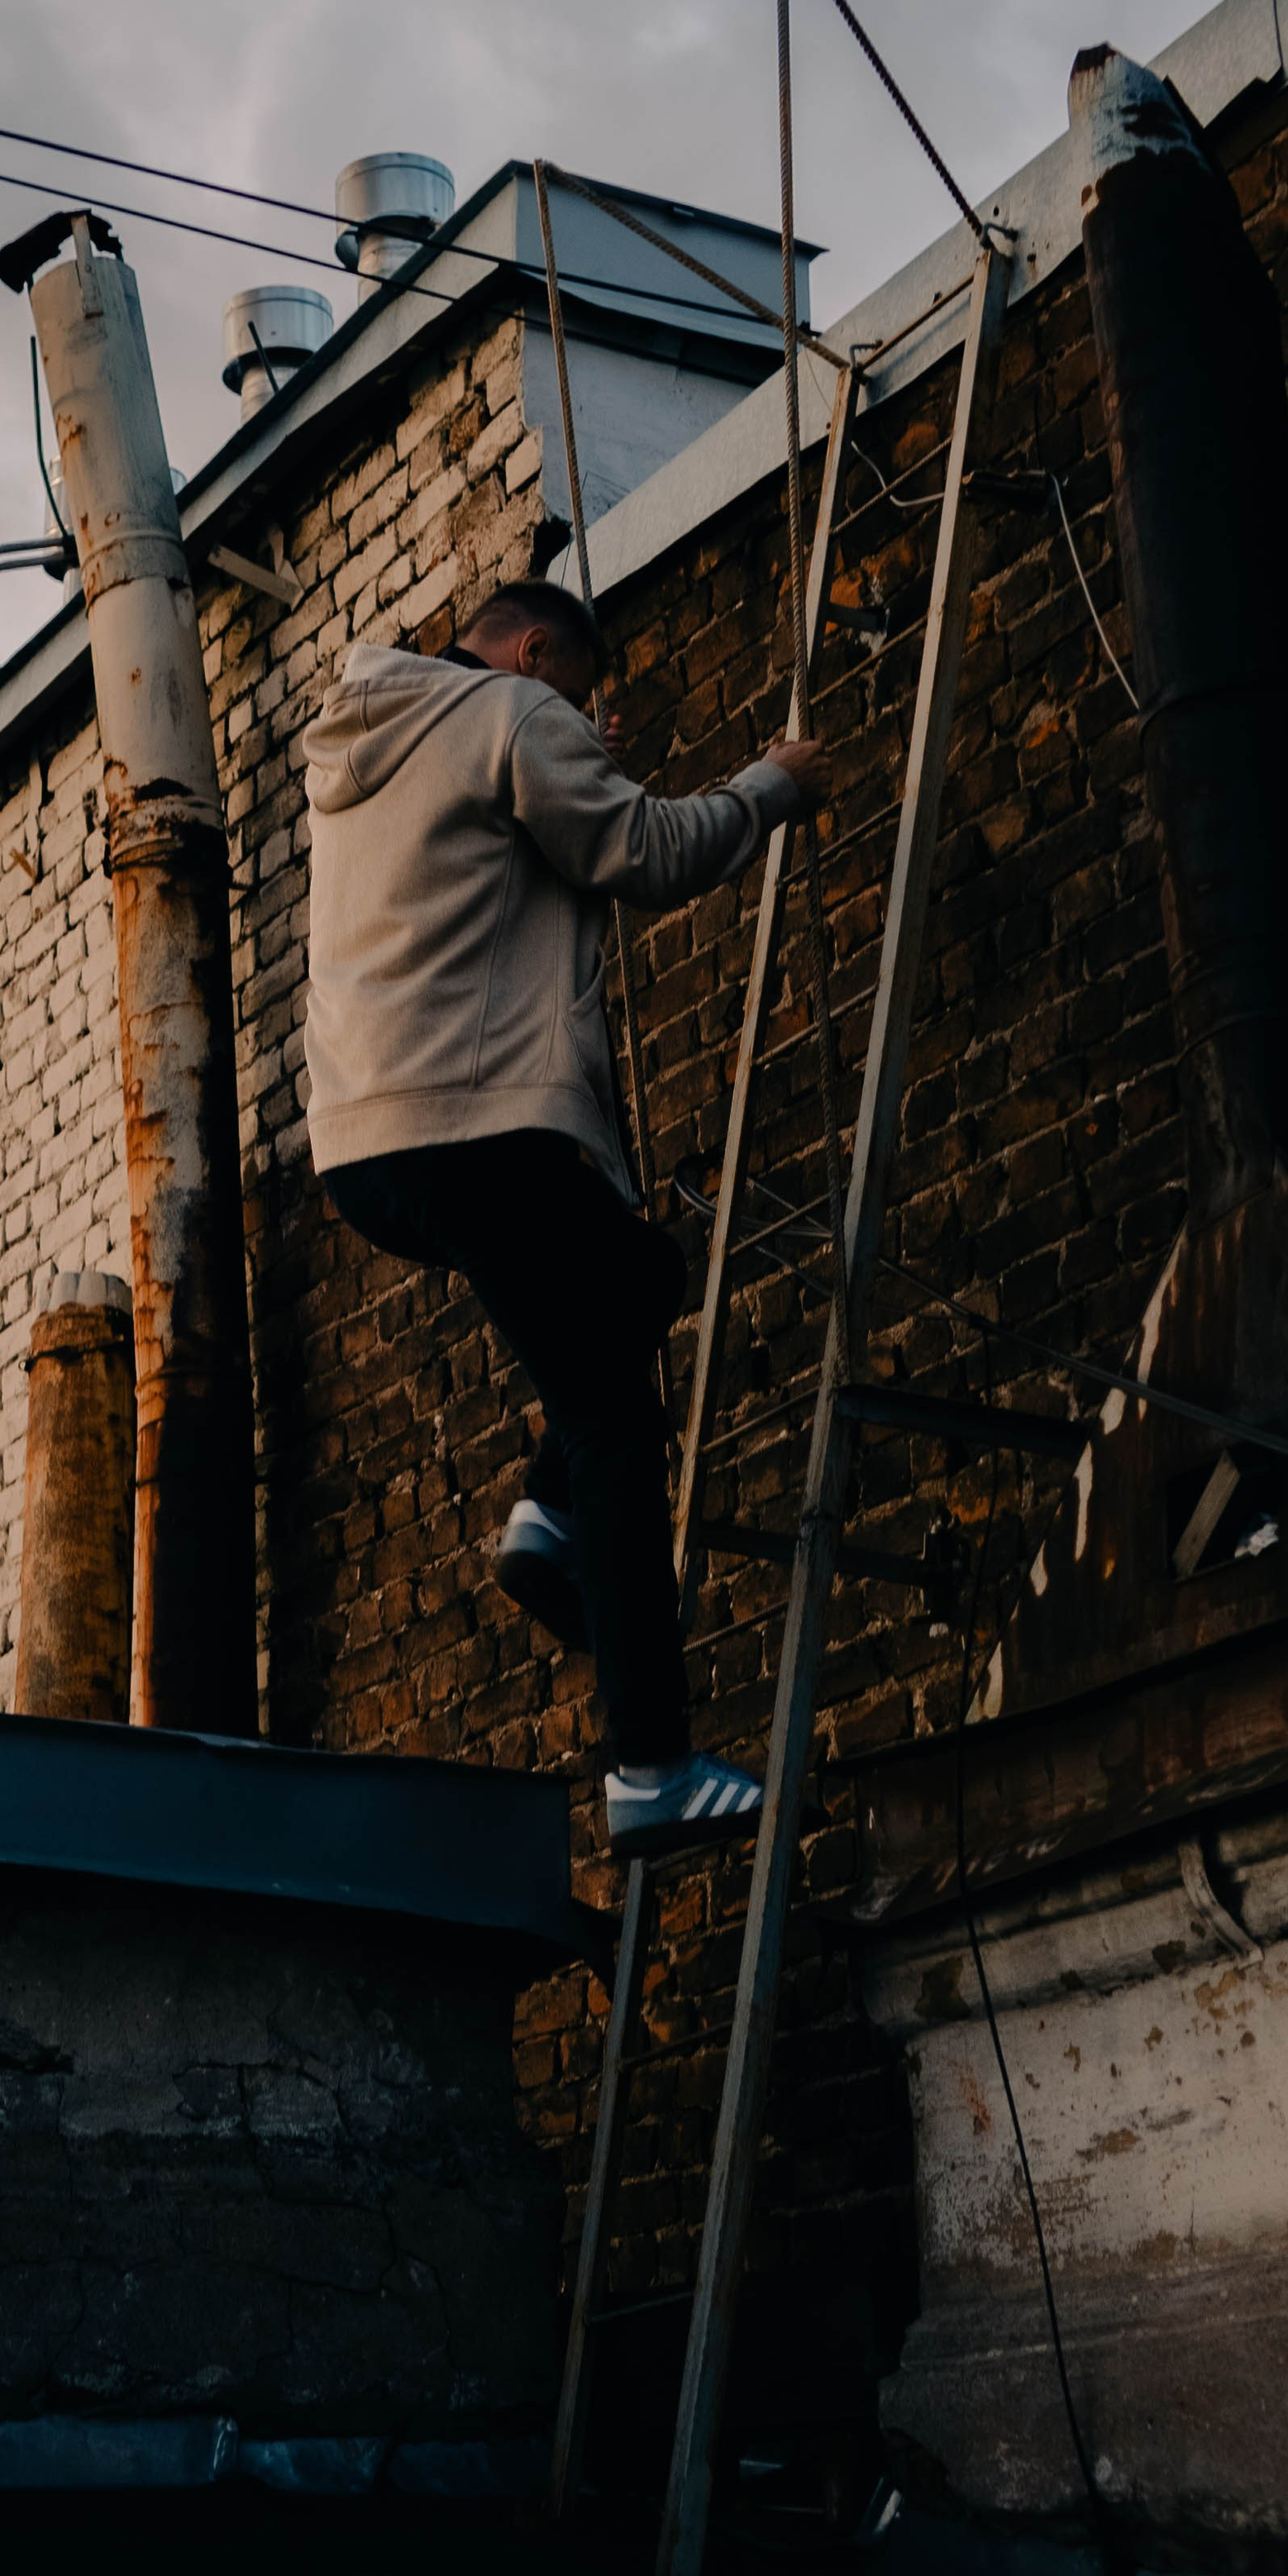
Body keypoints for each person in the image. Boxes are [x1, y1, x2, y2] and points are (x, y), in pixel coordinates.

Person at [303, 576, 829, 1859]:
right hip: (483, 1127)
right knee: (615, 1417)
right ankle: (648, 1765)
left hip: (368, 1153)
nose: (586, 726)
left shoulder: (368, 747)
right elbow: (645, 854)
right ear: (536, 652)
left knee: (639, 1269)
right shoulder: (507, 713)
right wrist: (771, 786)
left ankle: (544, 1527)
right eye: (582, 697)